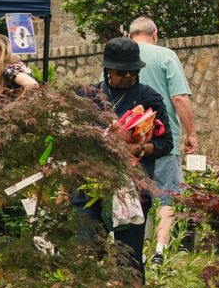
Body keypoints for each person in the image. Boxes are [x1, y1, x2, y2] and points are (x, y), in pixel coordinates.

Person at [76, 37, 174, 271]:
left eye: (132, 72)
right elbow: (73, 143)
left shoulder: (149, 97)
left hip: (132, 190)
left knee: (128, 260)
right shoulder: (87, 96)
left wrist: (139, 148)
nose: (128, 77)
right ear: (107, 69)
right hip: (89, 188)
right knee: (86, 256)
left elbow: (166, 142)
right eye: (121, 72)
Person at [127, 17, 196, 263]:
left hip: (129, 142)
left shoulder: (122, 58)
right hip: (162, 139)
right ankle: (159, 251)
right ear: (154, 34)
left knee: (133, 196)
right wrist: (191, 133)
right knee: (168, 195)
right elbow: (179, 98)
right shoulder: (166, 56)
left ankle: (134, 250)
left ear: (129, 35)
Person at [0, 33, 38, 107]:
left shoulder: (10, 70)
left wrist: (13, 107)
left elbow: (32, 85)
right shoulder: (16, 66)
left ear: (5, 52)